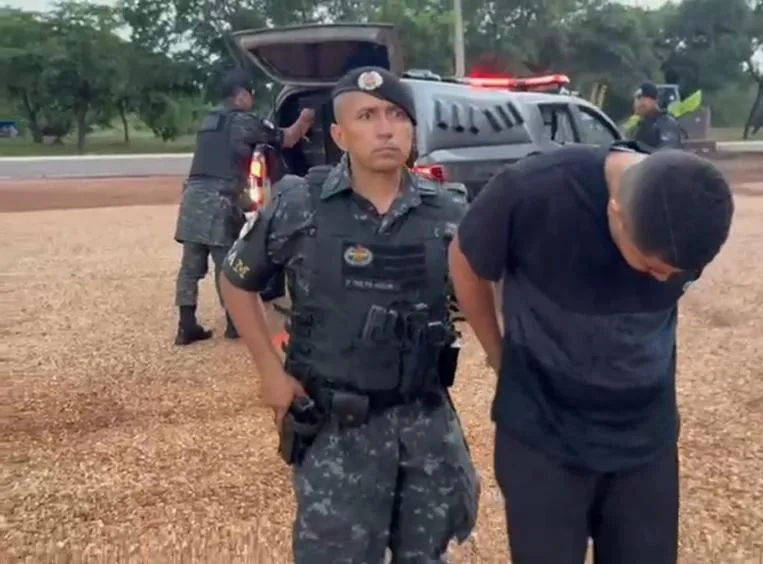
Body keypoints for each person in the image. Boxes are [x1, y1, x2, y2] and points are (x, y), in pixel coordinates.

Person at [219, 66, 478, 563]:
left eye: (396, 116)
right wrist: (270, 375)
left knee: (426, 553)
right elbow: (235, 279)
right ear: (339, 135)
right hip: (337, 430)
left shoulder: (446, 212)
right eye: (367, 116)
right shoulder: (300, 204)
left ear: (412, 130)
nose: (385, 129)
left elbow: (486, 290)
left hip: (426, 425)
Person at [449, 142, 734, 563]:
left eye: (679, 274)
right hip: (544, 437)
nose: (665, 281)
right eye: (653, 268)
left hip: (645, 439)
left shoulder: (689, 210)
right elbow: (466, 259)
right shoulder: (532, 189)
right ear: (615, 212)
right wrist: (498, 353)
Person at [173, 68, 314, 345]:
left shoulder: (209, 120)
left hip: (192, 197)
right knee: (226, 265)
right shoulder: (242, 122)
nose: (252, 99)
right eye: (251, 94)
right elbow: (288, 138)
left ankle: (186, 325)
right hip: (219, 201)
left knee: (190, 267)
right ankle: (234, 324)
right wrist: (306, 118)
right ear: (241, 95)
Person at [630, 82, 684, 151]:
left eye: (644, 97)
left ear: (655, 101)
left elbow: (668, 152)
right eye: (638, 98)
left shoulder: (666, 123)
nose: (640, 102)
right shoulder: (639, 126)